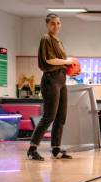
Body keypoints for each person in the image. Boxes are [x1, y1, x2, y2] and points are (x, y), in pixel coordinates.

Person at [27, 13, 76, 161]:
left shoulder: (59, 41)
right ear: (47, 25)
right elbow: (50, 60)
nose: (56, 26)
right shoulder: (46, 38)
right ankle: (32, 149)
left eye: (58, 23)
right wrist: (67, 61)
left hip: (61, 79)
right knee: (49, 116)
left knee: (61, 117)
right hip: (51, 80)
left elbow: (60, 62)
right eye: (53, 23)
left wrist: (70, 68)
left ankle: (56, 148)